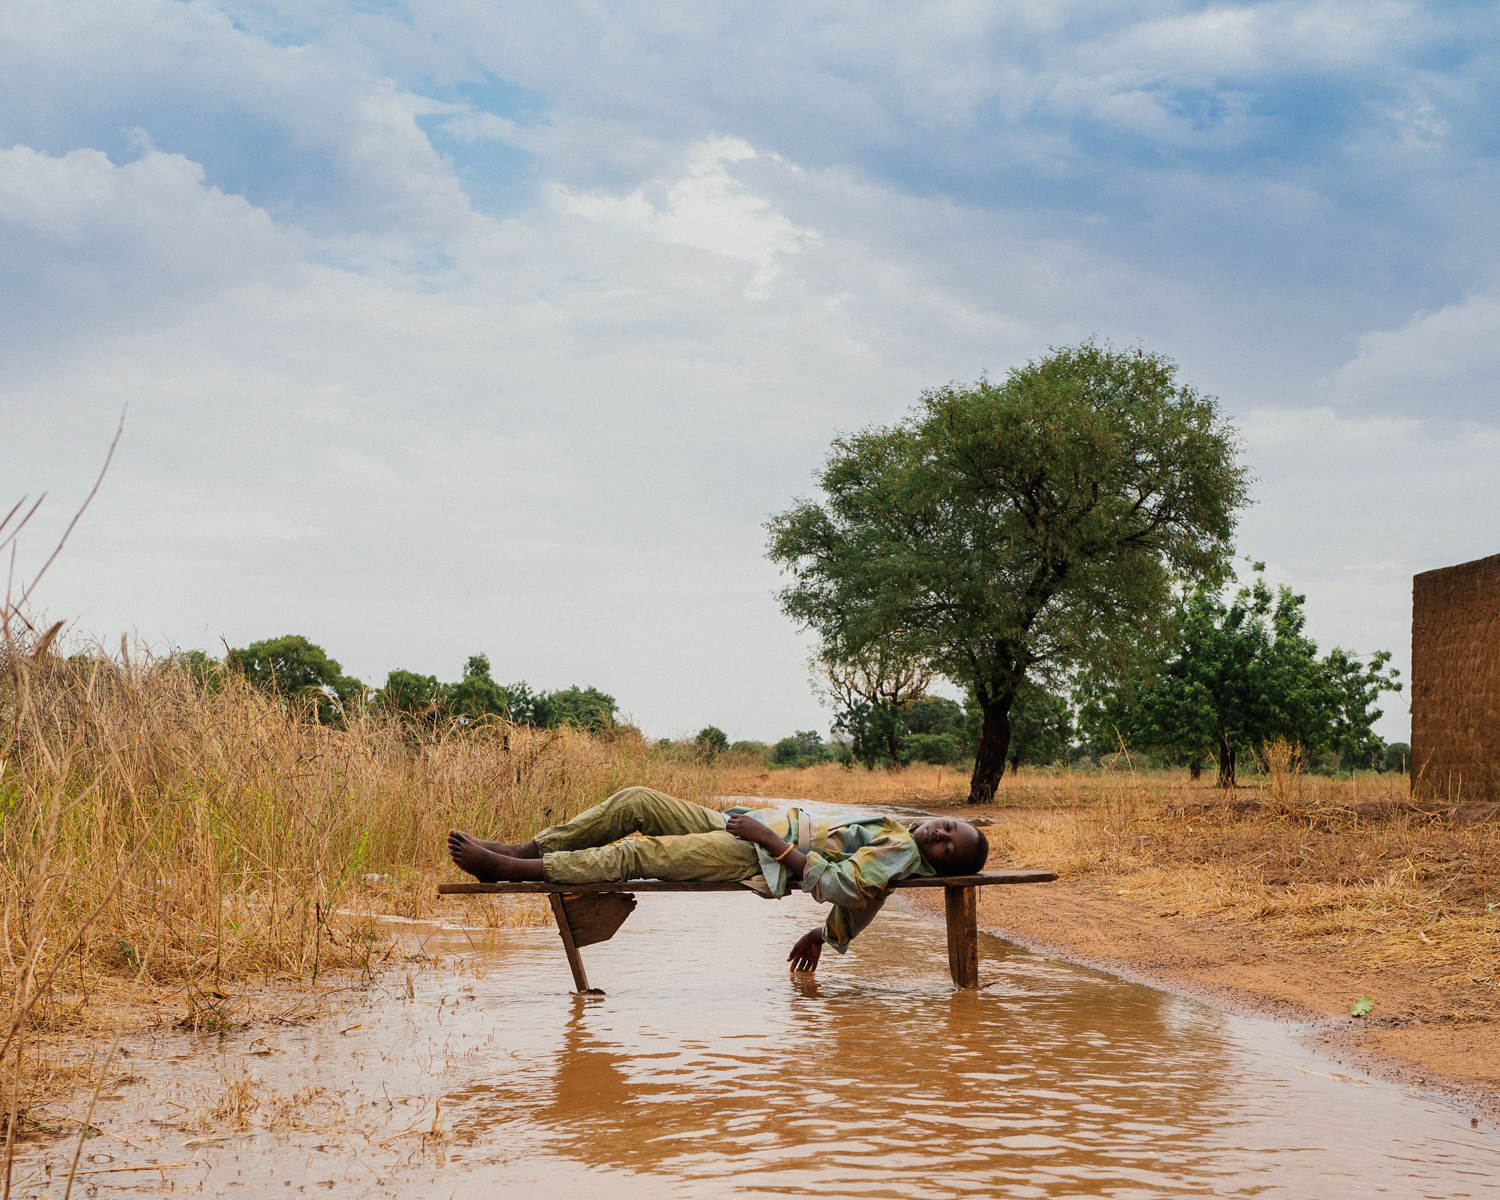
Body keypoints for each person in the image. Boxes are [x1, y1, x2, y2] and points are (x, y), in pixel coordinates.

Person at [447, 786, 989, 972]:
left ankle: (513, 869)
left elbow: (843, 886)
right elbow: (862, 901)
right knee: (638, 801)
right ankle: (528, 848)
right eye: (946, 826)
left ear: (943, 867)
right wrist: (827, 936)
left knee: (641, 852)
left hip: (759, 853)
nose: (937, 836)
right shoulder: (899, 837)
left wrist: (770, 840)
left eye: (947, 847)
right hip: (752, 829)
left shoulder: (899, 851)